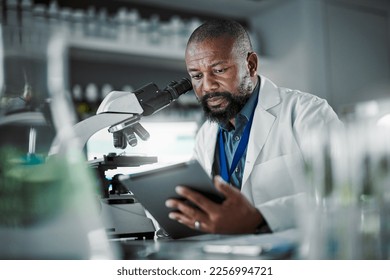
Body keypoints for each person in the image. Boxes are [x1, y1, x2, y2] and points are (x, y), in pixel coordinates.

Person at [165, 19, 341, 235]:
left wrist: (260, 218)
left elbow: (342, 191)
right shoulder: (206, 134)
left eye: (219, 70)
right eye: (197, 76)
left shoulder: (307, 112)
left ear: (251, 65)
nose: (208, 86)